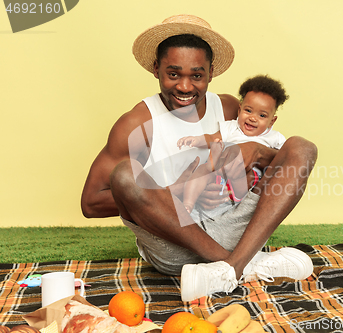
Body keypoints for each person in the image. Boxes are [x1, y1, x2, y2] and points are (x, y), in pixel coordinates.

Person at [81, 15, 318, 302]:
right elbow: (91, 202)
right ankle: (242, 266)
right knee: (124, 174)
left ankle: (228, 268)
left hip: (235, 224)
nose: (184, 87)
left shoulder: (230, 107)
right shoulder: (136, 123)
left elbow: (280, 164)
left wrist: (257, 152)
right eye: (173, 74)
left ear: (210, 72)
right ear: (156, 69)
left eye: (196, 75)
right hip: (175, 239)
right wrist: (175, 191)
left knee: (302, 148)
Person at [177, 74, 289, 213]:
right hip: (220, 171)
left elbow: (285, 159)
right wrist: (197, 140)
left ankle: (233, 197)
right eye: (248, 110)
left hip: (248, 177)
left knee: (249, 175)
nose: (253, 118)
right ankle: (188, 203)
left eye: (262, 115)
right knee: (202, 171)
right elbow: (213, 137)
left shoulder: (274, 138)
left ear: (272, 121)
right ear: (239, 109)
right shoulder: (232, 128)